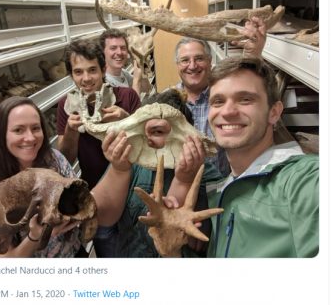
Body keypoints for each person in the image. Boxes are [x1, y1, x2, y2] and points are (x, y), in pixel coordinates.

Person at [189, 57, 318, 257]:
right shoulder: (223, 189)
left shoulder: (304, 180)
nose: (228, 111)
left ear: (274, 113)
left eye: (245, 99)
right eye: (218, 101)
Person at [91, 89, 221, 257]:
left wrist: (184, 180)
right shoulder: (134, 164)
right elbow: (104, 218)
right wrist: (119, 170)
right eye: (141, 131)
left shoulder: (209, 178)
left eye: (157, 132)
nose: (146, 140)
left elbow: (167, 238)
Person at [56, 39, 140, 256]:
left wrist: (126, 119)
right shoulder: (66, 105)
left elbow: (146, 143)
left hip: (134, 194)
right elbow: (64, 157)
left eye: (92, 70)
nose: (86, 79)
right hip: (98, 199)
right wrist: (71, 132)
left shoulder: (126, 97)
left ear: (103, 69)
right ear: (71, 75)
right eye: (78, 72)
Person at [0, 97, 85, 258]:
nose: (30, 138)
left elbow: (79, 199)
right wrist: (36, 236)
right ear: (1, 135)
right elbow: (5, 261)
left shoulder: (54, 158)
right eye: (18, 130)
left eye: (35, 128)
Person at [174, 17, 267, 174]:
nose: (192, 66)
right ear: (177, 65)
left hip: (223, 184)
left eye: (199, 58)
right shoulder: (168, 99)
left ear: (210, 61)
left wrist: (253, 53)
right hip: (180, 184)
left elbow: (248, 88)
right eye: (185, 60)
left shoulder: (225, 95)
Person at [99, 28, 142, 96]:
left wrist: (141, 68)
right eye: (113, 48)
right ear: (102, 52)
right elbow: (132, 106)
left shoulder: (123, 73)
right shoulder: (103, 82)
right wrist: (136, 81)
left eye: (123, 48)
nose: (119, 52)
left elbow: (147, 89)